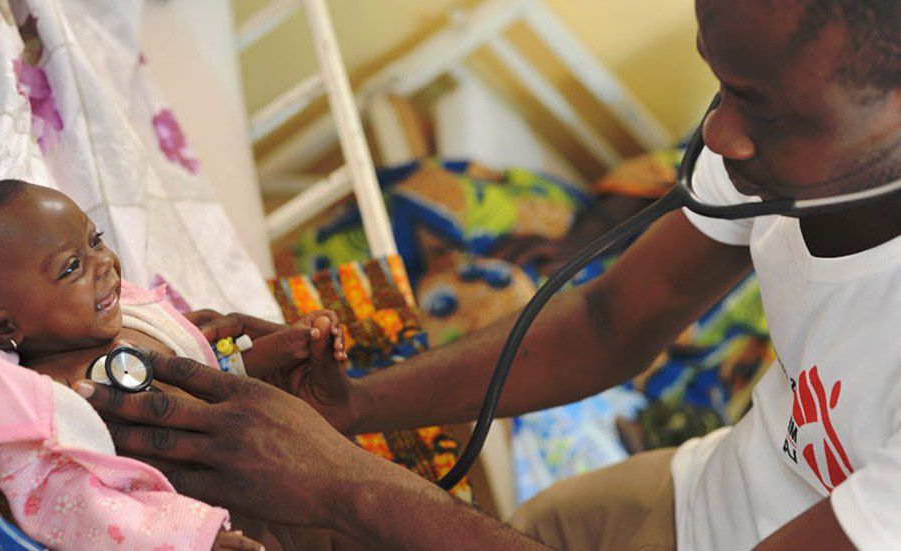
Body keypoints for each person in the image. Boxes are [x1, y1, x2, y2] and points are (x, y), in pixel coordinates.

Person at [76, 0, 900, 549]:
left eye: (763, 107)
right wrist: (356, 405)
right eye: (721, 84)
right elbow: (608, 321)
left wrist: (344, 484)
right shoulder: (776, 147)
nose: (717, 135)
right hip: (691, 495)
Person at [0, 181, 347, 550]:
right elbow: (76, 509)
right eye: (72, 267)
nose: (105, 263)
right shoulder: (44, 407)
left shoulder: (138, 320)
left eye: (95, 240)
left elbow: (213, 378)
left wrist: (285, 349)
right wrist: (186, 539)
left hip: (301, 505)